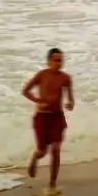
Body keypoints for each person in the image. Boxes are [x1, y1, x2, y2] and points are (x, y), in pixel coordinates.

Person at [23, 48, 75, 186]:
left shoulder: (65, 78)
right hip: (42, 117)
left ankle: (52, 182)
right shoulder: (41, 75)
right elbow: (25, 91)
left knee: (56, 148)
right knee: (42, 151)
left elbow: (70, 98)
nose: (59, 63)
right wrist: (38, 101)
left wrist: (70, 103)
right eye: (56, 60)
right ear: (49, 61)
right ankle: (35, 158)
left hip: (57, 117)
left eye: (61, 60)